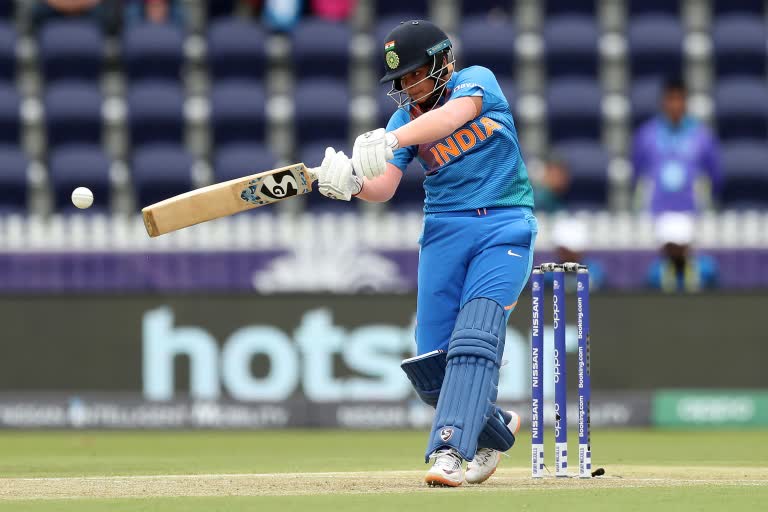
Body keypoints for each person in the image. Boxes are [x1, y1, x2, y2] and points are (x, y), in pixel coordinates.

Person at [313, 19, 537, 487]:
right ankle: (494, 428)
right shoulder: (403, 119)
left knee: (475, 334)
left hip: (504, 223)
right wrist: (352, 183)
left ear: (442, 62)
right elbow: (385, 186)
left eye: (416, 73)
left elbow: (453, 117)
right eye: (402, 79)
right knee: (431, 368)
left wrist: (394, 138)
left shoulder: (477, 81)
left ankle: (450, 451)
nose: (408, 86)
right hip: (443, 232)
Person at [632, 76, 721, 215]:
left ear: (686, 102)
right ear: (663, 102)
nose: (675, 105)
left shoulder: (703, 136)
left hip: (693, 216)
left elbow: (715, 177)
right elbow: (636, 175)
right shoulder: (646, 135)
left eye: (679, 99)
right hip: (654, 215)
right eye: (670, 99)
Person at [646, 212, 719, 292]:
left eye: (679, 246)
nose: (675, 251)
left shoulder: (707, 269)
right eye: (671, 247)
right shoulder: (655, 271)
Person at [544, 217, 605, 290]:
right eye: (561, 250)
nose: (562, 254)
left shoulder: (594, 271)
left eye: (566, 250)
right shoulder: (548, 273)